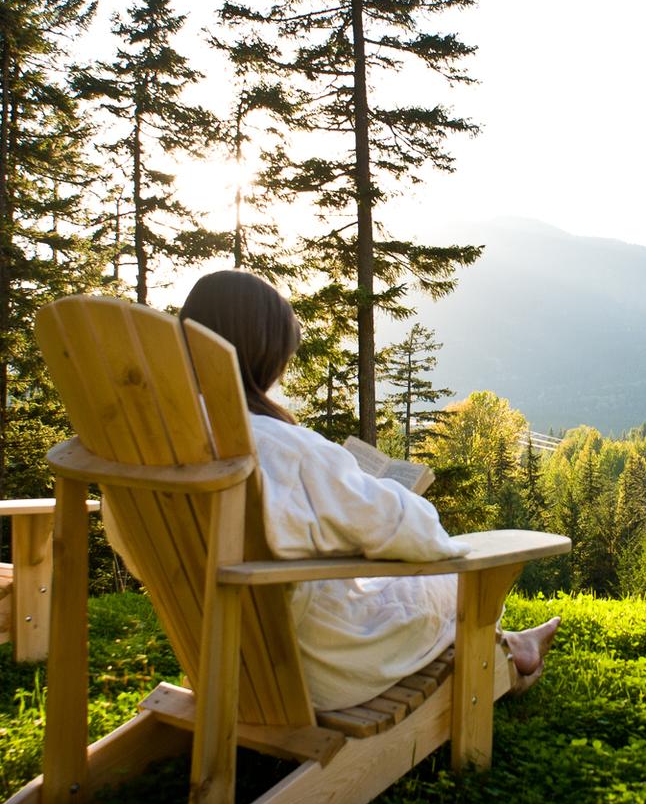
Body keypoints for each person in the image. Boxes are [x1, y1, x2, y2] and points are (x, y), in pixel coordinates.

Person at [174, 269, 559, 712]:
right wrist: (396, 496)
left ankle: (515, 644)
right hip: (310, 664)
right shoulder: (282, 448)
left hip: (212, 649)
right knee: (458, 580)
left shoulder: (151, 441)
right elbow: (421, 536)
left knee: (387, 585)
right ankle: (514, 654)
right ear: (264, 355)